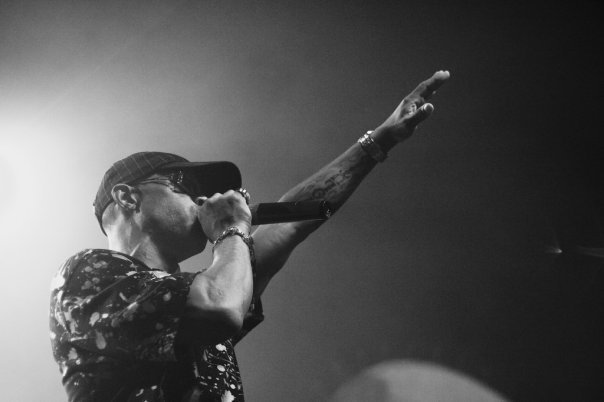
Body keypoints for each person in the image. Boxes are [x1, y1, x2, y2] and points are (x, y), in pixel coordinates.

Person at [49, 70, 450, 401]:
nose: (202, 199)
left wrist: (379, 141)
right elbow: (220, 308)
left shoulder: (201, 286)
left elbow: (289, 223)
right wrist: (231, 229)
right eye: (183, 186)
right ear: (128, 197)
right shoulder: (87, 273)